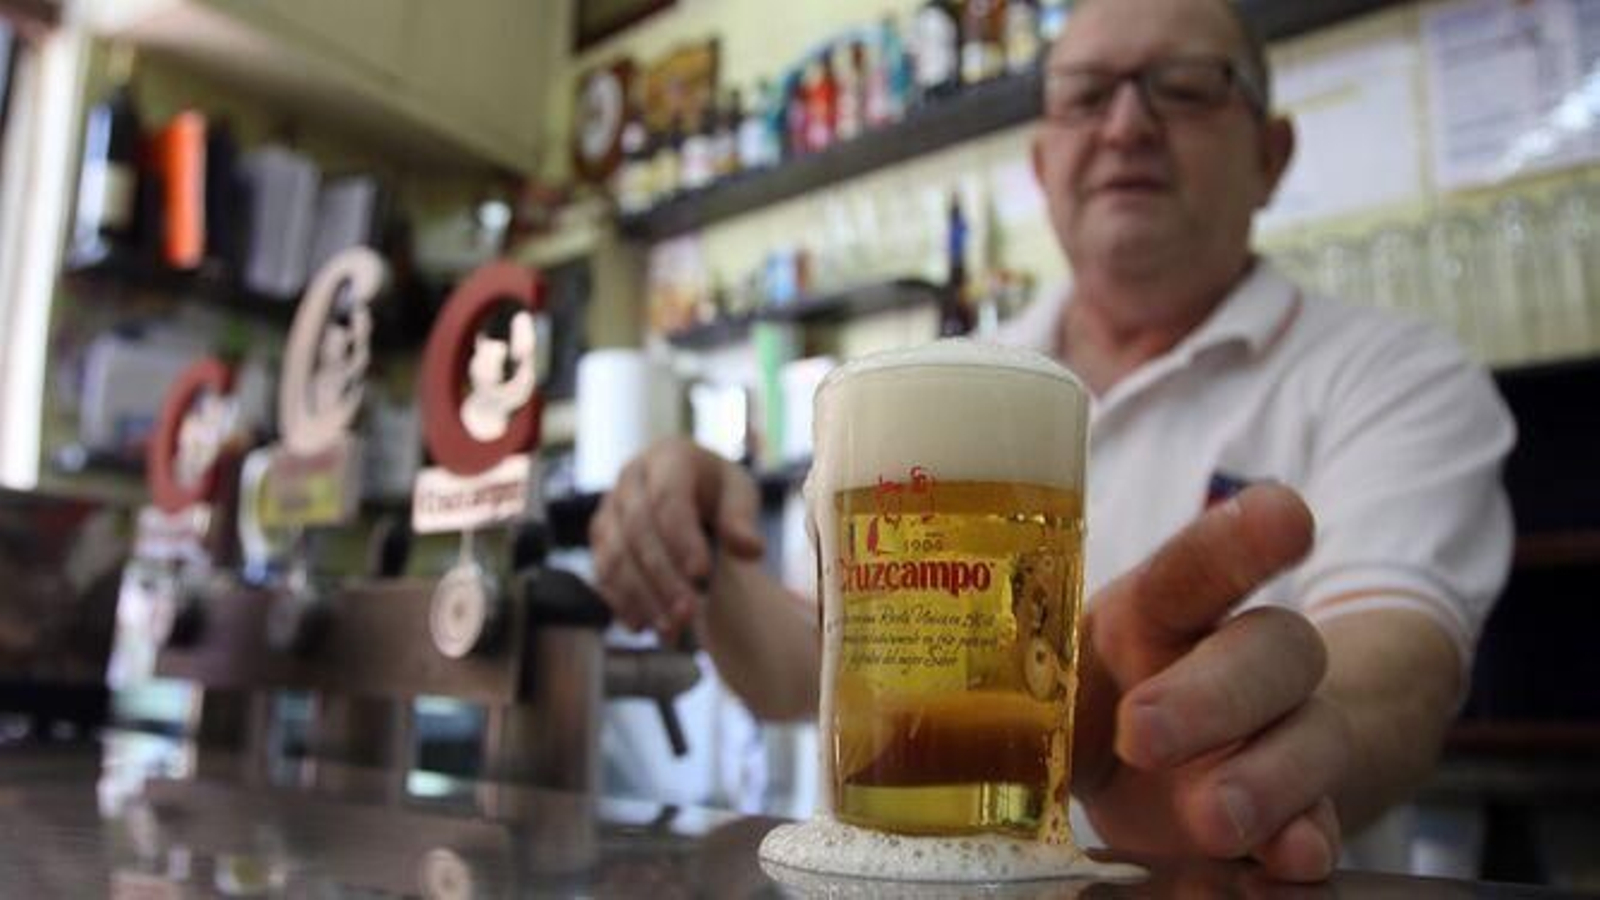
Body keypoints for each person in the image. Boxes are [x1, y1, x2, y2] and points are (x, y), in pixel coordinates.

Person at [589, 0, 1514, 883]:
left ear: (1271, 155)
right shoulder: (933, 390)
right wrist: (702, 550)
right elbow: (808, 669)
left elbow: (1400, 671)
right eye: (1084, 95)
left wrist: (1239, 761)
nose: (1124, 126)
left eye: (1185, 85)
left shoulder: (1396, 374)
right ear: (1042, 164)